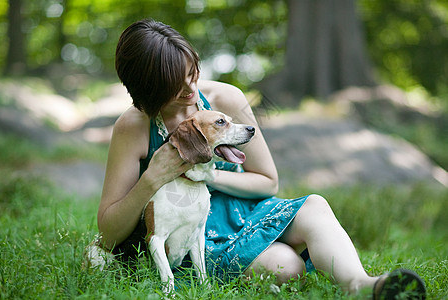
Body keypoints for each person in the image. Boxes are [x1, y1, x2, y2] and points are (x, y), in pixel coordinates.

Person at [95, 19, 426, 299]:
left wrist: (208, 175)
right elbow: (109, 230)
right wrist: (153, 177)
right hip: (194, 231)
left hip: (245, 210)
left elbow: (268, 181)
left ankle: (365, 286)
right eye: (174, 85)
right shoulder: (133, 127)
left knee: (314, 205)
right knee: (285, 267)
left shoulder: (225, 98)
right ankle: (300, 253)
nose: (190, 90)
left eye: (192, 73)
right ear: (147, 89)